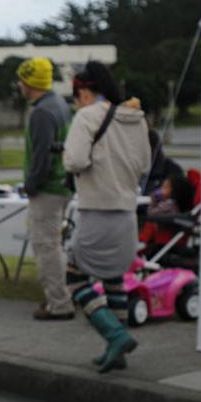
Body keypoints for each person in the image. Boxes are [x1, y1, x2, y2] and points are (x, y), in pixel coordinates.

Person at [63, 61, 151, 373]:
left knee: (73, 278)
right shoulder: (136, 118)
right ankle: (118, 351)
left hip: (97, 208)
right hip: (127, 211)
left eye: (76, 94)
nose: (76, 100)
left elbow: (74, 160)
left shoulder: (87, 116)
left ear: (85, 90)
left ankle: (115, 334)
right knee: (114, 279)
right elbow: (144, 164)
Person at [16, 57, 74, 320]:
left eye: (21, 80)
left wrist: (30, 185)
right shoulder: (60, 104)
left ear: (29, 82)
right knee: (55, 244)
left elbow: (42, 156)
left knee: (45, 246)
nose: (18, 85)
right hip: (62, 185)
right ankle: (59, 296)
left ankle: (59, 303)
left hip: (47, 188)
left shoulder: (41, 112)